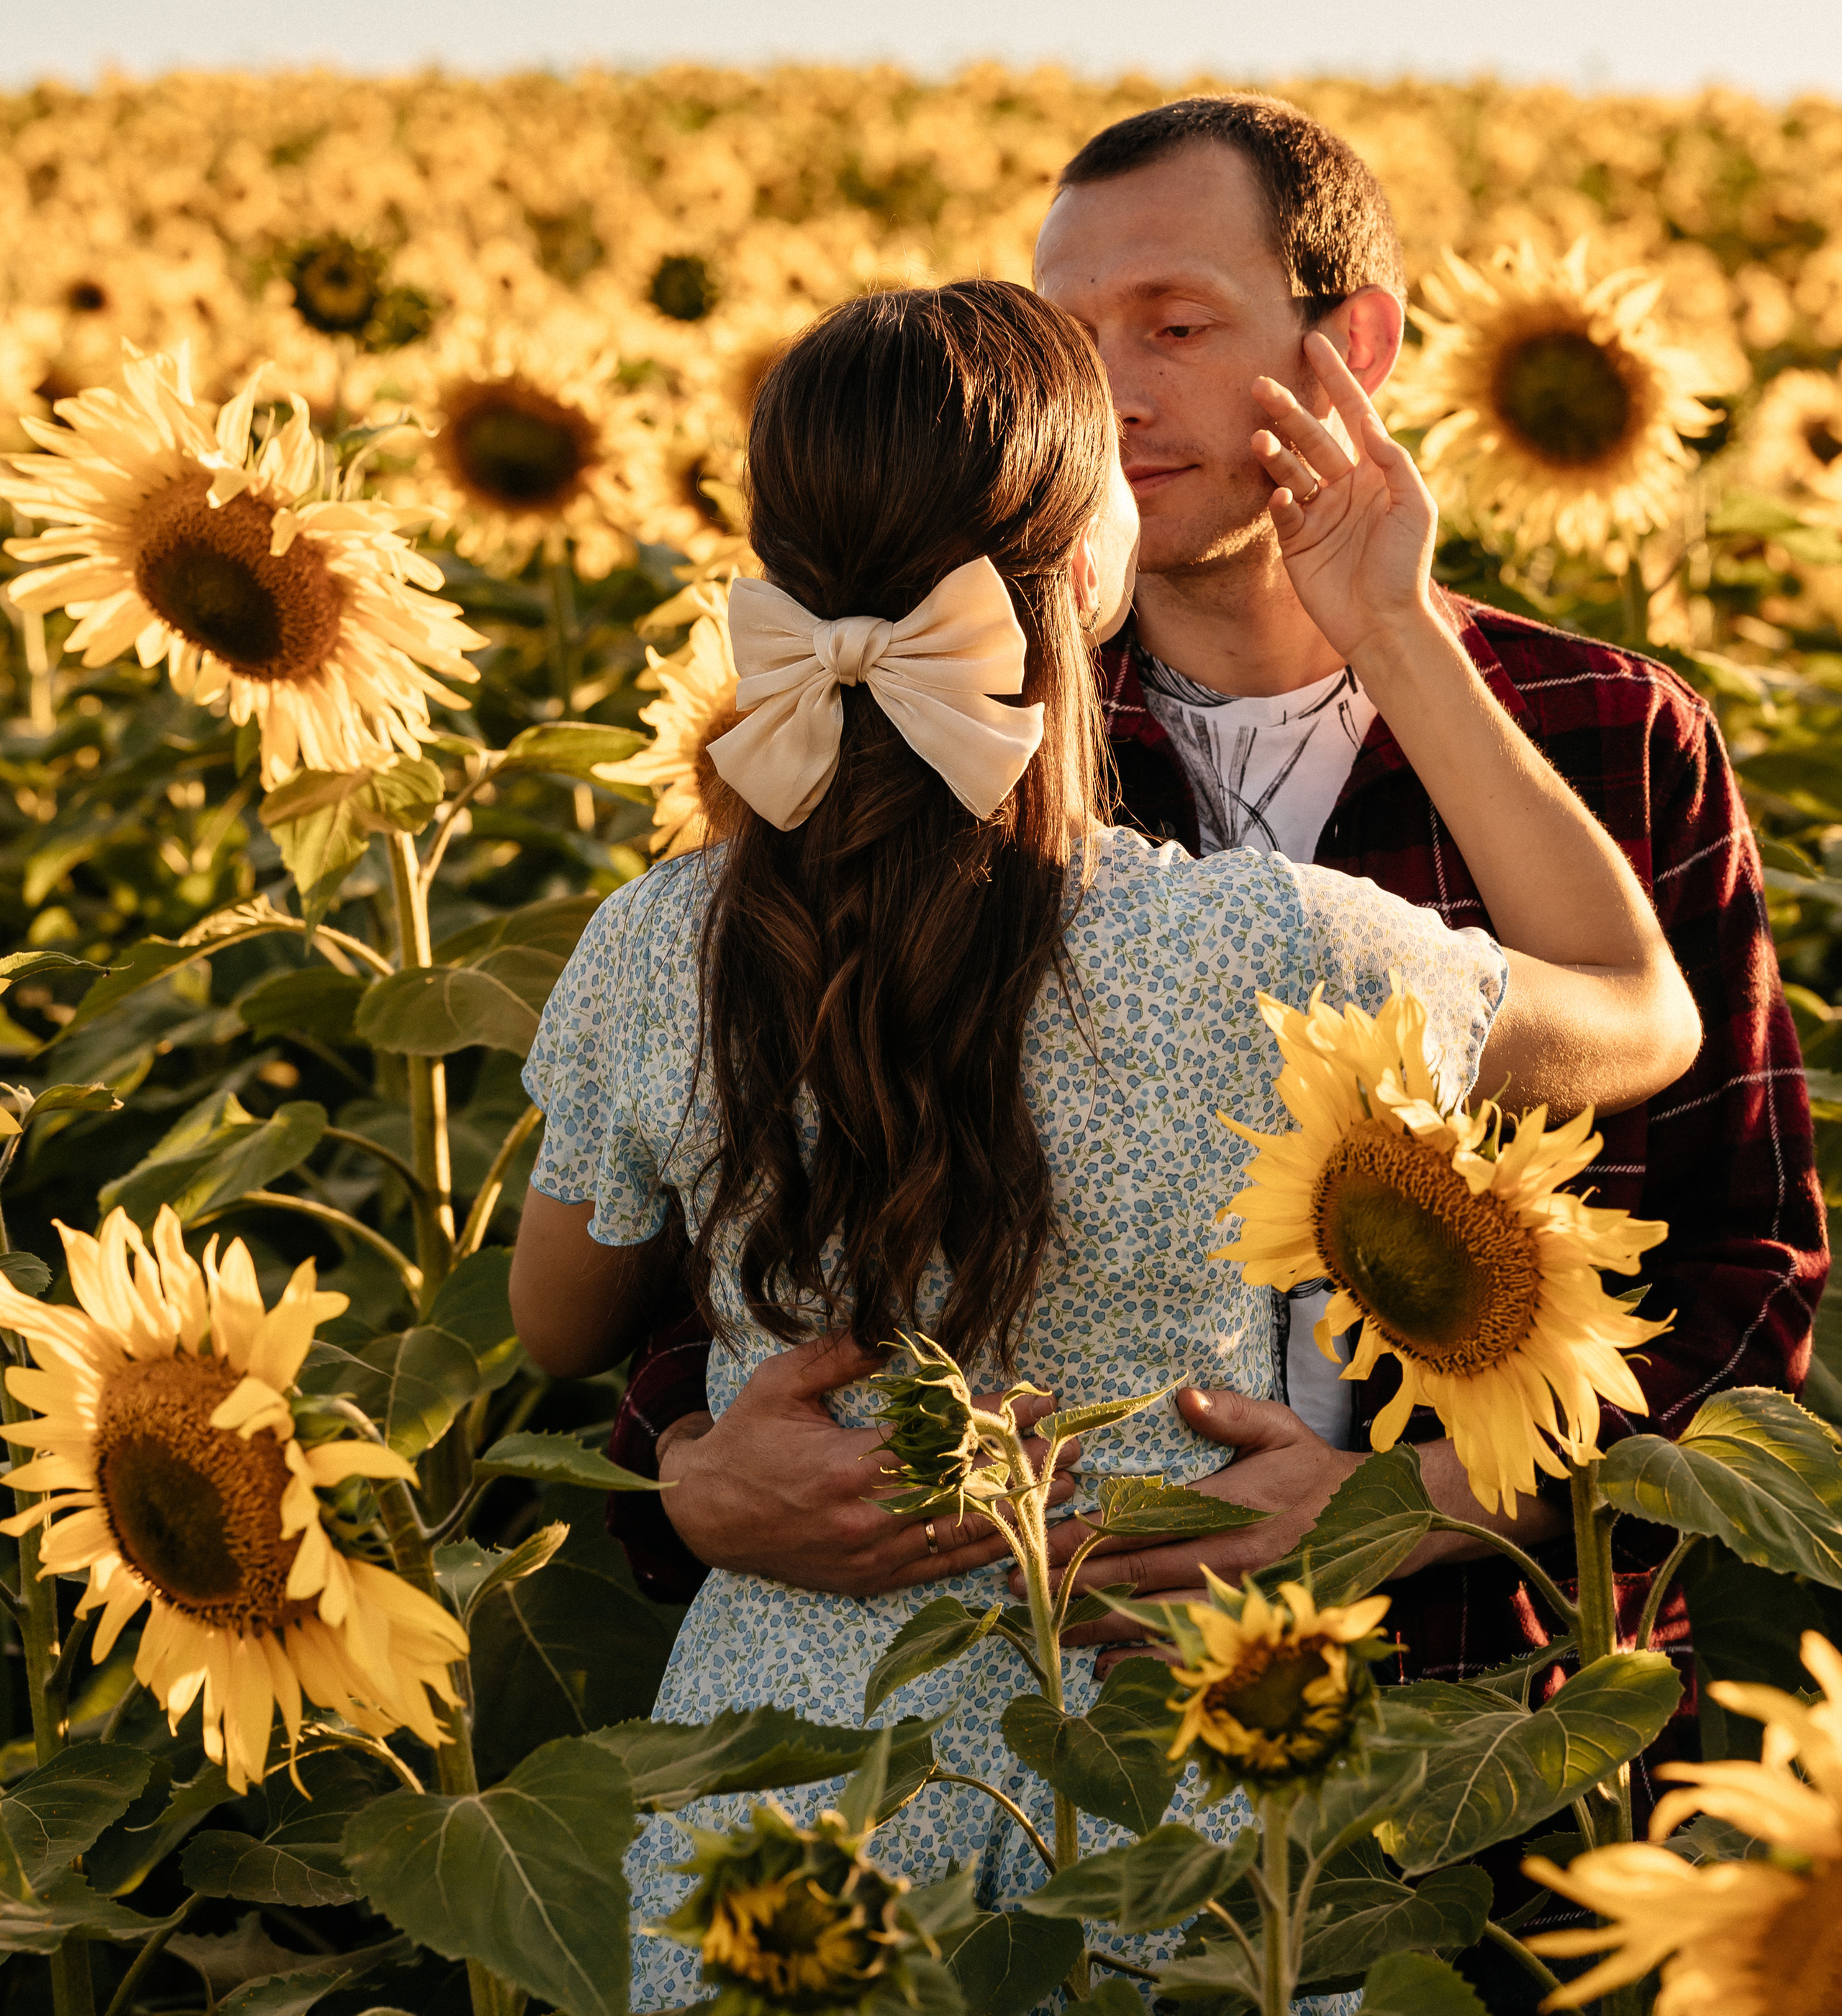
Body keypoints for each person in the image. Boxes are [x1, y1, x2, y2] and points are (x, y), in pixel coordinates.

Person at [511, 278, 1700, 2010]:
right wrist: (1396, 625)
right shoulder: (1278, 948)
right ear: (1088, 573)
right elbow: (1636, 1006)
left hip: (783, 1800)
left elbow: (557, 1325)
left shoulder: (653, 946)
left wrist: (712, 1428)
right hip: (1172, 1768)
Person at [603, 99, 1829, 1717]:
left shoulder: (1599, 732)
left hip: (1480, 1703)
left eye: (1174, 325)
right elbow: (718, 1191)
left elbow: (1742, 1265)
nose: (1111, 394)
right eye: (1070, 338)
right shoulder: (962, 752)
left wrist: (1418, 1516)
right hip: (1031, 1735)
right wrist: (686, 1467)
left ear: (1357, 346)